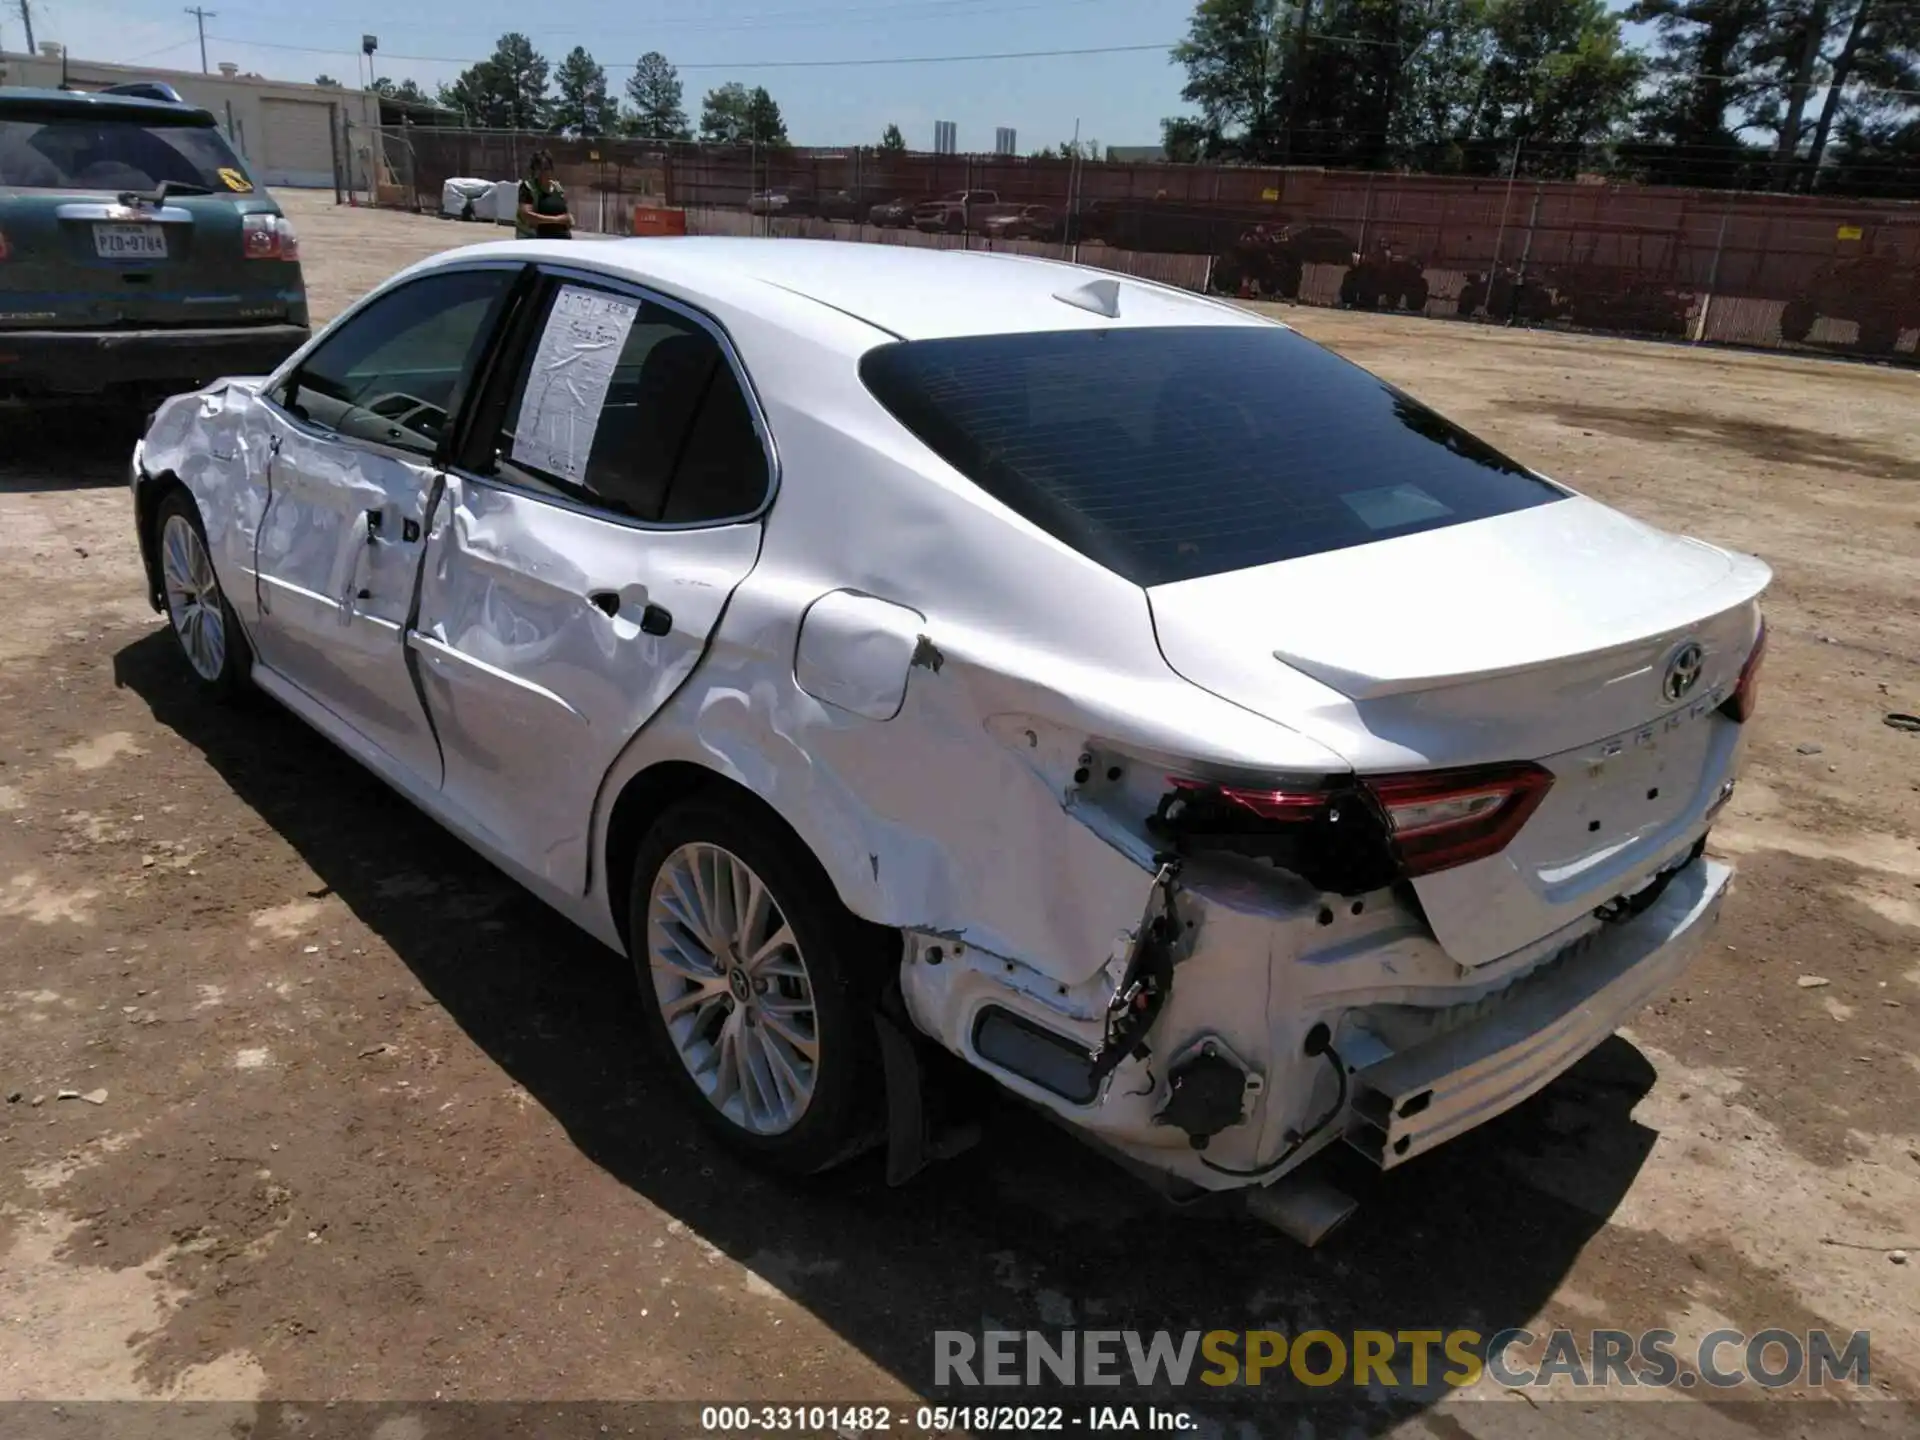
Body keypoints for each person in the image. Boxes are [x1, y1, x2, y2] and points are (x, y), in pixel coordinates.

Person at [517, 151, 574, 240]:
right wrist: (556, 220)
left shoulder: (557, 188)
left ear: (552, 169)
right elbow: (527, 215)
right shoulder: (528, 187)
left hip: (562, 239)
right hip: (537, 241)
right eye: (538, 169)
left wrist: (569, 220)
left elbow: (565, 214)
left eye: (546, 168)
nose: (542, 172)